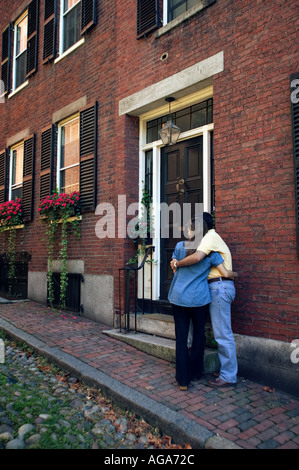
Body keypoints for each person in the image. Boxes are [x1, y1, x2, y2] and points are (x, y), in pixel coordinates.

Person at [170, 212, 238, 388]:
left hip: (179, 297)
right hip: (199, 299)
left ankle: (182, 380)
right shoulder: (212, 253)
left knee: (182, 338)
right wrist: (235, 275)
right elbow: (224, 272)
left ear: (191, 230)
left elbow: (175, 269)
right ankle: (196, 373)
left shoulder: (179, 246)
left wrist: (176, 264)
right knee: (199, 336)